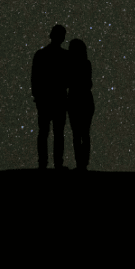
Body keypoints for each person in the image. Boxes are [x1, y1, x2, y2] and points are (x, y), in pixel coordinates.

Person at [31, 24, 69, 170]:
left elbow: (35, 79)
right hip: (58, 99)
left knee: (44, 132)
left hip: (46, 99)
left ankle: (43, 163)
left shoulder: (40, 54)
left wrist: (37, 97)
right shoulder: (66, 56)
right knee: (57, 133)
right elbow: (69, 78)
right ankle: (57, 163)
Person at [67, 39, 95, 172]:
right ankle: (83, 164)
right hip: (84, 101)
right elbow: (89, 84)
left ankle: (81, 164)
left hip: (75, 101)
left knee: (78, 134)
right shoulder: (86, 63)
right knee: (84, 134)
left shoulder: (70, 65)